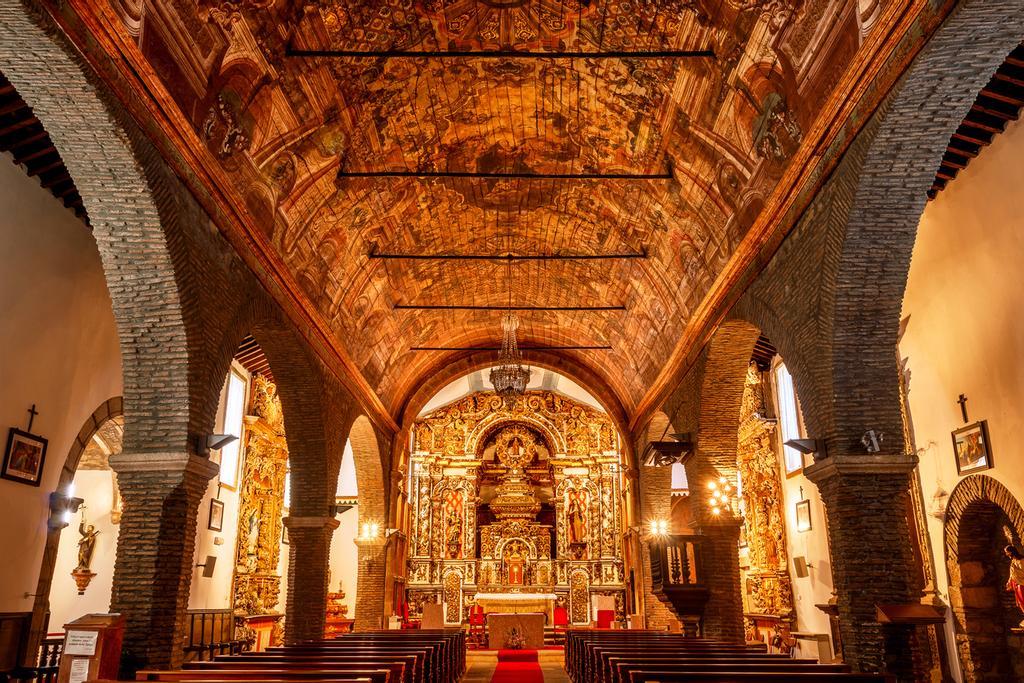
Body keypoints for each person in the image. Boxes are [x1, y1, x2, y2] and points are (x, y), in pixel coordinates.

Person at [1005, 545, 1024, 626]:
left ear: (1011, 552)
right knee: (1020, 601)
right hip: (1016, 583)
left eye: (1007, 552)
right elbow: (1012, 573)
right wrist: (1009, 581)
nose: (1006, 554)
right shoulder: (1013, 561)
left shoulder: (1021, 560)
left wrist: (1017, 574)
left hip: (1022, 583)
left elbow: (1022, 571)